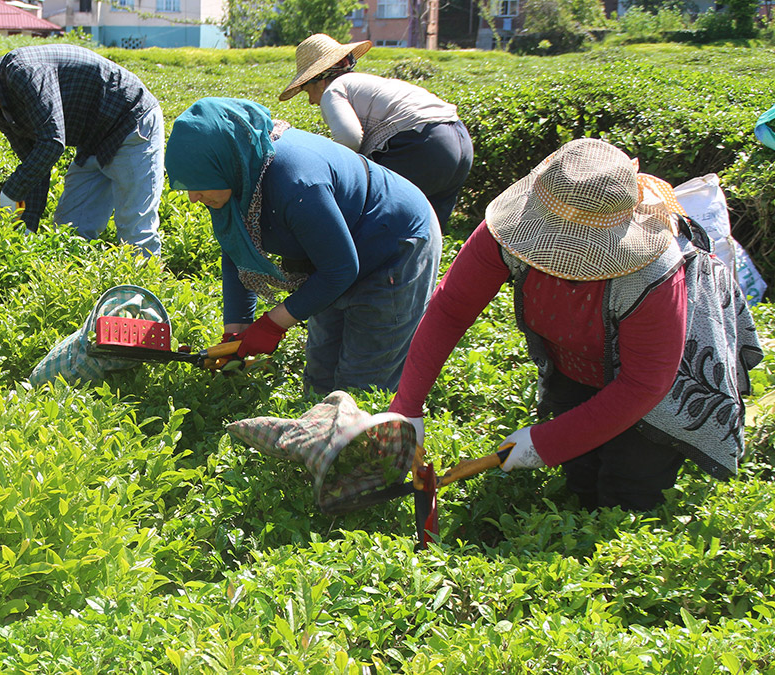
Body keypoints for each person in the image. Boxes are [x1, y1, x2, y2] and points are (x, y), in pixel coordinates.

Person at [388, 138, 763, 511]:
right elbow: (450, 309)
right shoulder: (506, 230)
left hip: (666, 376)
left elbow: (645, 383)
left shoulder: (654, 272)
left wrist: (541, 443)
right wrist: (407, 407)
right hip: (576, 353)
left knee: (630, 483)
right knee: (580, 473)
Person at [165, 97, 442, 395]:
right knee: (321, 373)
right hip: (331, 253)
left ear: (223, 163)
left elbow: (339, 270)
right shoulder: (236, 177)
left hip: (393, 244)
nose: (193, 197)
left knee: (361, 382)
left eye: (200, 185)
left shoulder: (296, 183)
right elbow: (236, 250)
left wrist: (272, 324)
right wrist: (238, 331)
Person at [0, 47, 164, 257]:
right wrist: (24, 231)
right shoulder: (0, 110)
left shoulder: (23, 73)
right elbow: (36, 166)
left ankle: (144, 299)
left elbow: (52, 142)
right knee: (69, 231)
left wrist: (10, 193)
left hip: (130, 123)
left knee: (135, 228)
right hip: (93, 140)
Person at [280, 34, 473, 231]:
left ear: (319, 80)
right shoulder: (366, 81)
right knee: (428, 232)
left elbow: (349, 139)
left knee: (373, 225)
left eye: (307, 91)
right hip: (460, 142)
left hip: (423, 146)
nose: (311, 101)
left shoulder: (334, 89)